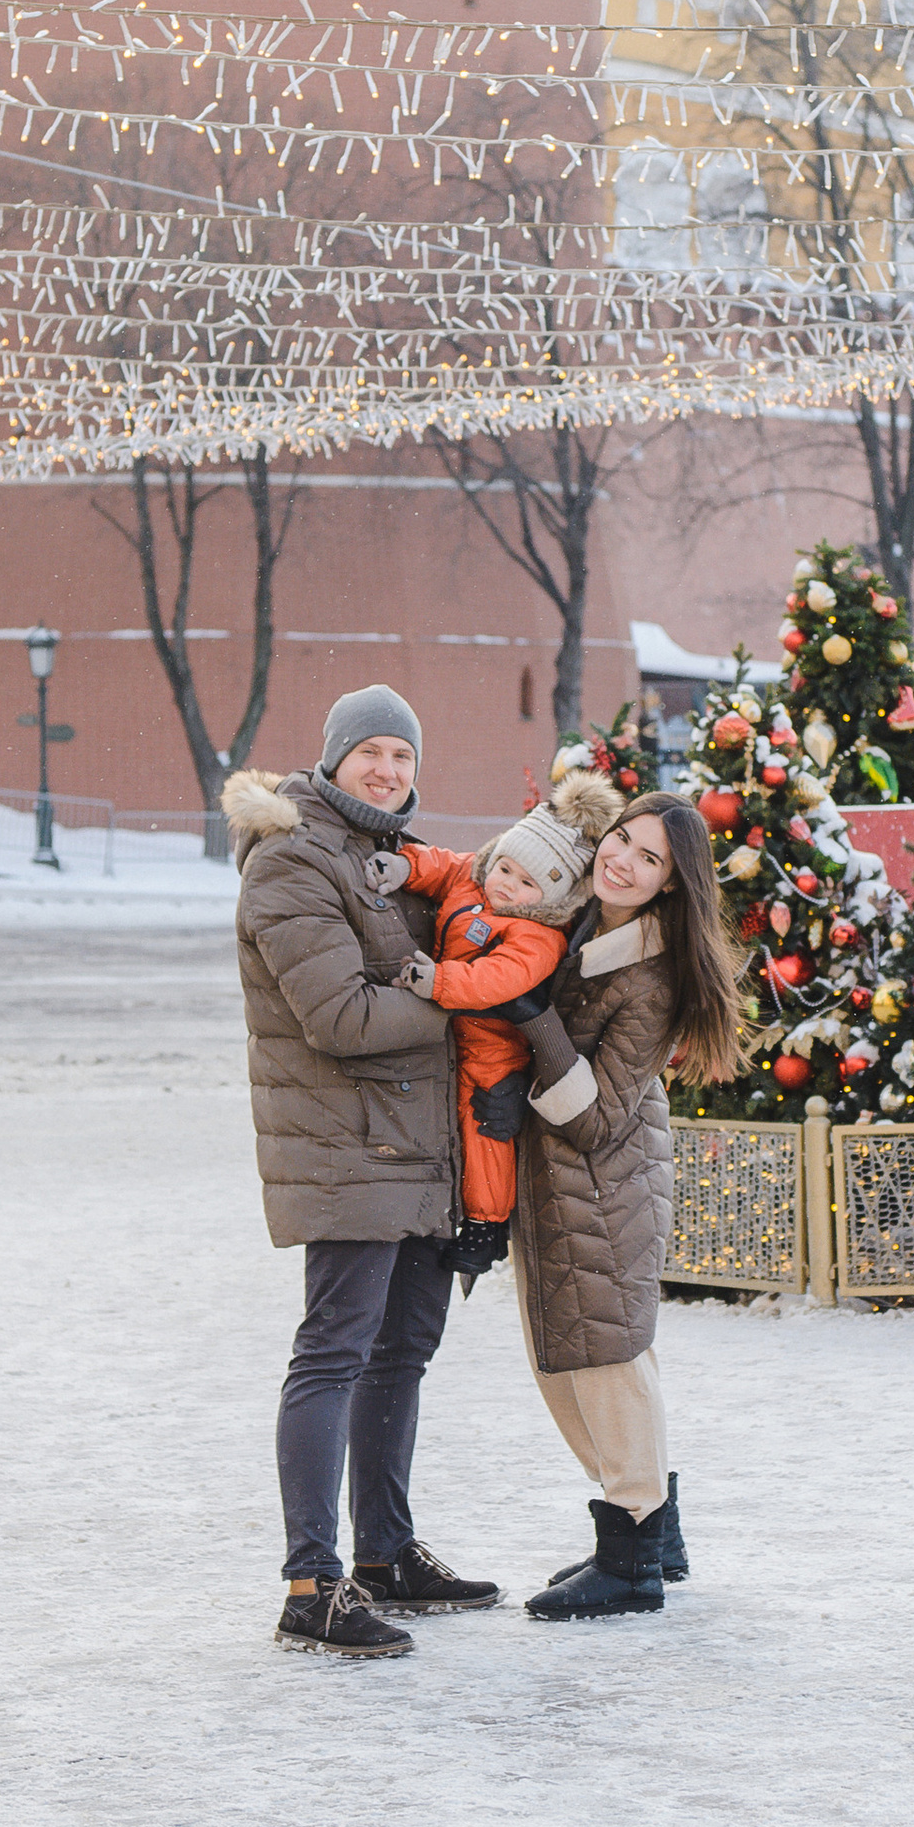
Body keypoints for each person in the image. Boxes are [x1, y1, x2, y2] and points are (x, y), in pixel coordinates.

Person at [222, 685, 503, 1663]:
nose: (388, 768)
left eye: (402, 753)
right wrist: (468, 1005)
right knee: (336, 1349)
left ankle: (384, 1553)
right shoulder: (296, 854)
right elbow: (340, 1017)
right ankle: (311, 1579)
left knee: (402, 1350)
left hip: (414, 1147)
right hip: (347, 1147)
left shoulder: (383, 863)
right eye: (371, 751)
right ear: (334, 756)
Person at [479, 791, 745, 1621]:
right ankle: (651, 1534)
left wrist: (533, 1022)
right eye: (621, 837)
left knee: (607, 1363)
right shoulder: (586, 923)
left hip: (605, 1183)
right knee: (581, 1358)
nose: (621, 859)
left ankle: (631, 1556)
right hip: (560, 1186)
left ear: (670, 885)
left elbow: (595, 1116)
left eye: (647, 857)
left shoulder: (652, 974)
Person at [394, 769, 622, 1279]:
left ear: (550, 898)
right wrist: (403, 867)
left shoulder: (539, 937)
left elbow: (497, 980)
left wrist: (437, 982)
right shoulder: (473, 880)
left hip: (495, 1050)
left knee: (485, 1134)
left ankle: (486, 1226)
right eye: (506, 870)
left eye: (527, 884)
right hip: (451, 1038)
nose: (508, 887)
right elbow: (441, 864)